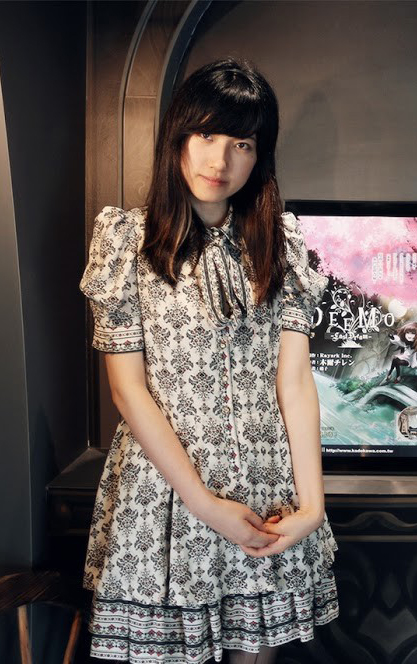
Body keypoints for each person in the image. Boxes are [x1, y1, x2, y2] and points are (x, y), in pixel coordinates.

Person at [79, 57, 339, 664]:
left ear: (259, 156)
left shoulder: (280, 242)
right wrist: (203, 502)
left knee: (257, 653)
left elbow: (295, 381)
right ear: (178, 136)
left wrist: (312, 505)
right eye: (206, 135)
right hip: (169, 493)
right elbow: (127, 390)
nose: (220, 160)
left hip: (266, 487)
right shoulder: (127, 240)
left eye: (241, 144)